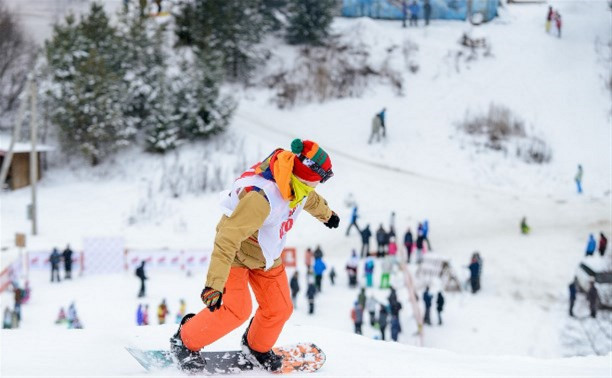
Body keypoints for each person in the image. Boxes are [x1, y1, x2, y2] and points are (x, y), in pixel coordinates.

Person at [170, 139, 339, 373]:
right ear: (307, 176)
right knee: (235, 310)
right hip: (236, 254)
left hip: (266, 254)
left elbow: (308, 199)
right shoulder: (261, 198)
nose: (320, 185)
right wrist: (214, 285)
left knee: (279, 308)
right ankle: (185, 341)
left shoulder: (298, 185)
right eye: (322, 178)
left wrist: (327, 214)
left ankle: (256, 347)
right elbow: (227, 238)